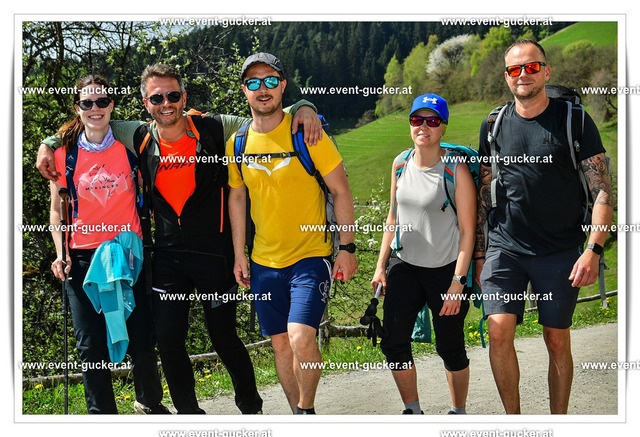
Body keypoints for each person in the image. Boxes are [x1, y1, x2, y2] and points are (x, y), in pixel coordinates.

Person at [38, 65, 322, 415]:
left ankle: (251, 408)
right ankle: (189, 416)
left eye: (173, 95)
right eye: (157, 98)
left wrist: (304, 106)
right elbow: (89, 125)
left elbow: (265, 114)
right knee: (168, 340)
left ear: (184, 97)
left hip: (214, 253)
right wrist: (48, 144)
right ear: (146, 103)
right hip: (168, 256)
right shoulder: (138, 135)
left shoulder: (215, 127)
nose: (166, 103)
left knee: (224, 337)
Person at [474, 39, 613, 414]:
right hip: (506, 248)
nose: (523, 74)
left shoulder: (574, 120)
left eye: (531, 67)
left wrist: (592, 250)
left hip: (560, 250)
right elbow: (485, 192)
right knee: (498, 329)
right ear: (506, 77)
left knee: (556, 339)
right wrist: (480, 254)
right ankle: (514, 422)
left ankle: (558, 422)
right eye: (514, 69)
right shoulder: (493, 124)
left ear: (546, 72)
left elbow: (602, 191)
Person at [227, 53, 358, 414]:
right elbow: (237, 197)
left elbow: (341, 190)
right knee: (281, 344)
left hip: (309, 256)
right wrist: (239, 254)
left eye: (270, 80)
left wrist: (347, 247)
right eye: (254, 83)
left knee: (301, 337)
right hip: (263, 262)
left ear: (283, 85)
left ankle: (307, 410)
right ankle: (297, 416)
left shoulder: (307, 133)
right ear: (244, 90)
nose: (263, 89)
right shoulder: (237, 143)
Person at [48, 74, 168, 414]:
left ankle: (149, 404)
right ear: (77, 108)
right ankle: (102, 418)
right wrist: (60, 254)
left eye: (102, 101)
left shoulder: (132, 147)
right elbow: (56, 210)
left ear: (112, 105)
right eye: (87, 103)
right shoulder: (64, 156)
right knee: (90, 346)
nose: (95, 108)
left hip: (128, 256)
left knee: (142, 338)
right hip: (82, 261)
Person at [371, 93, 476, 415]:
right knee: (393, 341)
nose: (424, 127)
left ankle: (458, 412)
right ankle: (413, 411)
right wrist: (381, 266)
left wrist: (458, 283)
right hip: (405, 265)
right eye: (417, 119)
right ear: (410, 124)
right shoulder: (400, 163)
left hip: (446, 269)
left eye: (432, 121)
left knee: (450, 347)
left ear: (443, 127)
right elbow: (392, 217)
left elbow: (468, 231)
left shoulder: (455, 170)